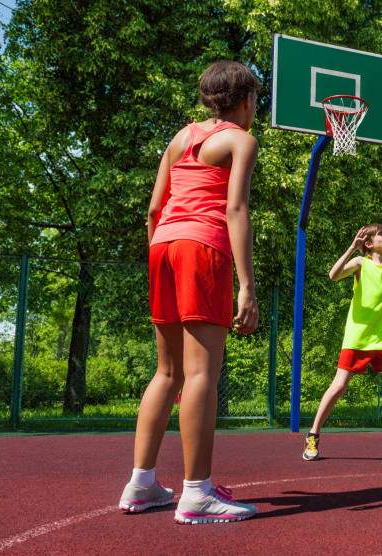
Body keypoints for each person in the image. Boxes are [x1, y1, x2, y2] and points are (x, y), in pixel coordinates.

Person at [119, 60, 262, 523]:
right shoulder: (241, 140)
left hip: (162, 246)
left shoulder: (180, 137)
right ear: (244, 101)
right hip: (202, 246)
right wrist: (247, 285)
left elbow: (155, 207)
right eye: (256, 100)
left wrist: (161, 253)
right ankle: (197, 493)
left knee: (167, 372)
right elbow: (235, 209)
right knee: (203, 373)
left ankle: (141, 484)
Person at [303, 224, 382, 462]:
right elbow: (333, 275)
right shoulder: (360, 263)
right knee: (339, 386)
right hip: (359, 338)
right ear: (369, 243)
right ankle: (313, 435)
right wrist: (350, 249)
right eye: (381, 234)